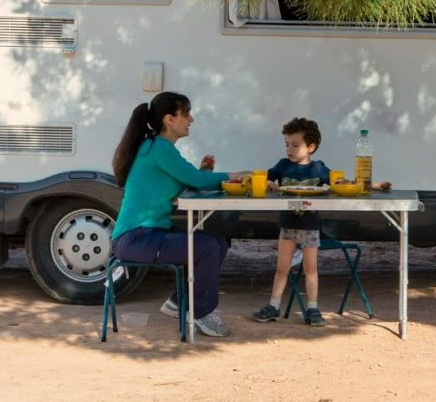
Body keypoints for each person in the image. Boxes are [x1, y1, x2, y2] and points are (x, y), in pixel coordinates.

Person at [110, 91, 250, 338]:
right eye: (186, 113)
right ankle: (201, 313)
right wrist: (233, 176)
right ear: (169, 119)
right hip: (136, 238)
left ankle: (178, 303)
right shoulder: (159, 149)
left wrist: (203, 173)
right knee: (206, 247)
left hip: (147, 233)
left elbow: (188, 179)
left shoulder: (156, 147)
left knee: (217, 240)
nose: (191, 119)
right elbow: (195, 180)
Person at [253, 118, 331, 327]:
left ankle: (312, 307)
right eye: (287, 144)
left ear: (311, 147)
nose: (289, 149)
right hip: (287, 225)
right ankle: (273, 306)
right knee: (282, 268)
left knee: (311, 269)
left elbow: (337, 182)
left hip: (310, 226)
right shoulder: (282, 165)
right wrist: (269, 183)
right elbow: (266, 178)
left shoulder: (318, 169)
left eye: (295, 145)